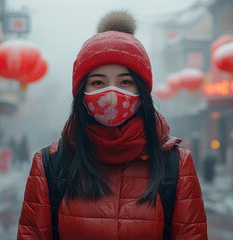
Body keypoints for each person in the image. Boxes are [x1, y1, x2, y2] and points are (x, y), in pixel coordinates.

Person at [17, 10, 207, 240]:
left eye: (125, 82)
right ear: (81, 93)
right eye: (98, 82)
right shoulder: (50, 164)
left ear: (142, 92)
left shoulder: (175, 164)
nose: (111, 94)